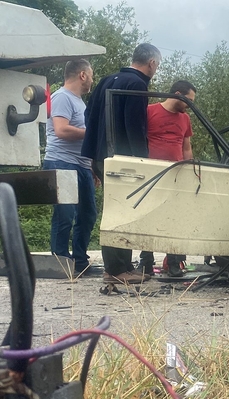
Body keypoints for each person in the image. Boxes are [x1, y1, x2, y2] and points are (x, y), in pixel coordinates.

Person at [81, 43, 161, 285]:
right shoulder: (137, 85)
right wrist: (143, 162)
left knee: (114, 210)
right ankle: (118, 269)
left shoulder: (106, 80)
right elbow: (136, 127)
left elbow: (87, 115)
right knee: (123, 213)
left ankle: (117, 267)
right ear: (152, 64)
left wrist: (95, 152)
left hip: (99, 156)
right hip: (125, 161)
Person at [137, 80, 197, 278]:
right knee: (148, 217)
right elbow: (139, 139)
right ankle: (146, 262)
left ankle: (173, 262)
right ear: (177, 94)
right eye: (188, 100)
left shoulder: (185, 119)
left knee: (174, 218)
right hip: (152, 174)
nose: (189, 104)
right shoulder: (149, 111)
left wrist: (190, 171)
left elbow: (186, 146)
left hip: (176, 174)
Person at [43, 59, 97, 277]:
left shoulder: (80, 103)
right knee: (65, 214)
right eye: (91, 75)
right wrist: (93, 134)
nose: (92, 80)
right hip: (61, 162)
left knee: (88, 213)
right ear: (82, 75)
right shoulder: (62, 97)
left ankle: (80, 261)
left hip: (81, 165)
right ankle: (61, 261)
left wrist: (92, 167)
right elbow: (61, 130)